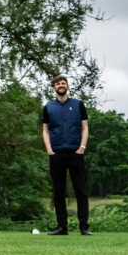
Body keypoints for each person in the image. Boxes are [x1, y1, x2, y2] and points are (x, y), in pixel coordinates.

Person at [42, 75, 91, 236]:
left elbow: (84, 127)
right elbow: (45, 130)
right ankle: (62, 227)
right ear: (53, 88)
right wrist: (50, 150)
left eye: (63, 83)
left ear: (68, 87)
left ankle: (84, 227)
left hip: (76, 153)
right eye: (57, 84)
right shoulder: (49, 107)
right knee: (58, 192)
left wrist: (82, 147)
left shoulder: (78, 105)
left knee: (81, 191)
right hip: (56, 154)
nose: (61, 86)